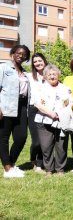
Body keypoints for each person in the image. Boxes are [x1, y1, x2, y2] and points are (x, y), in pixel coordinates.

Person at [34, 65, 73, 176]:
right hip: (44, 120)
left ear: (58, 75)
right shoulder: (40, 88)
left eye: (54, 74)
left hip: (62, 121)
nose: (52, 76)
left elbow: (71, 103)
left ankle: (60, 169)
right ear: (45, 76)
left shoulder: (65, 88)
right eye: (49, 74)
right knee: (46, 147)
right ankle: (49, 170)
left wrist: (63, 113)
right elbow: (37, 103)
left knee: (61, 146)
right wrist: (51, 113)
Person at [0, 45, 30, 178]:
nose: (21, 56)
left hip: (22, 106)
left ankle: (11, 165)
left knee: (21, 137)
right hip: (6, 105)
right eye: (18, 53)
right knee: (3, 138)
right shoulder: (3, 68)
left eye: (24, 54)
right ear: (13, 53)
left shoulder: (25, 73)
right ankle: (7, 168)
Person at [27, 53, 48, 173]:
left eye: (40, 60)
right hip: (33, 109)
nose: (38, 63)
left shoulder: (50, 74)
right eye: (35, 62)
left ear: (44, 61)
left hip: (46, 110)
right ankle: (32, 158)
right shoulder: (29, 76)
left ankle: (40, 164)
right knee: (36, 141)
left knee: (43, 139)